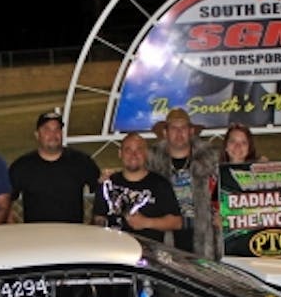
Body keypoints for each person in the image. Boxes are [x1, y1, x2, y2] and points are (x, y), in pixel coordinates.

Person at [146, 107, 220, 257]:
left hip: (204, 235)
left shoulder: (211, 161)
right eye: (174, 128)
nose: (179, 133)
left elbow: (235, 171)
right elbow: (131, 174)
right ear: (165, 133)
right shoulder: (151, 164)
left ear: (191, 132)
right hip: (164, 236)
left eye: (183, 128)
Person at [8, 110, 100, 223]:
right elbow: (6, 202)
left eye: (57, 129)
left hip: (73, 235)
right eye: (47, 130)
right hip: (36, 236)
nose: (53, 134)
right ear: (37, 135)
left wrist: (94, 224)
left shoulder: (81, 161)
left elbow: (101, 192)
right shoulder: (22, 166)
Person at [92, 132, 181, 242]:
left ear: (146, 153)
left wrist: (146, 222)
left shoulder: (160, 184)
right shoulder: (107, 182)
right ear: (120, 153)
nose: (133, 155)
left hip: (147, 253)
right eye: (128, 150)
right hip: (112, 250)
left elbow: (176, 222)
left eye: (139, 150)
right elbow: (98, 216)